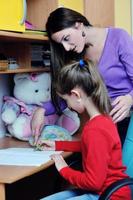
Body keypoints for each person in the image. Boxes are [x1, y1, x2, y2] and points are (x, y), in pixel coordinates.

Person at [37, 60, 131, 200]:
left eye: (66, 100)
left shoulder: (95, 129)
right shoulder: (104, 119)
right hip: (104, 191)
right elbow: (91, 147)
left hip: (109, 196)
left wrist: (64, 169)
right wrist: (57, 145)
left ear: (76, 95)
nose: (68, 106)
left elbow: (93, 182)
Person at [43, 7, 133, 146]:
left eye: (66, 38)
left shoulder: (119, 37)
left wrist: (130, 98)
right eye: (61, 44)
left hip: (128, 119)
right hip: (105, 123)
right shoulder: (76, 55)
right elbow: (70, 94)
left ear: (78, 24)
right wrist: (41, 110)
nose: (66, 47)